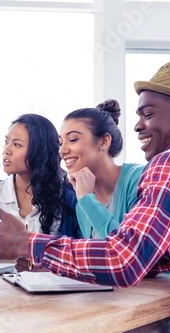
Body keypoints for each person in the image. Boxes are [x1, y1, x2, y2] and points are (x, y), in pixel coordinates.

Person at [0, 60, 170, 332]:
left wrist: (25, 242)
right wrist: (43, 261)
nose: (137, 126)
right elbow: (156, 257)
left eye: (148, 114)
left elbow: (125, 260)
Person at [0, 113, 82, 265]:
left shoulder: (70, 197)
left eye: (17, 144)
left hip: (51, 286)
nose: (6, 150)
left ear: (40, 152)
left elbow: (79, 254)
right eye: (6, 142)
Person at [60, 99, 144, 238]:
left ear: (104, 141)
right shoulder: (82, 202)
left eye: (73, 139)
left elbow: (128, 249)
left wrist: (87, 199)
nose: (62, 150)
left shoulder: (138, 179)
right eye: (60, 142)